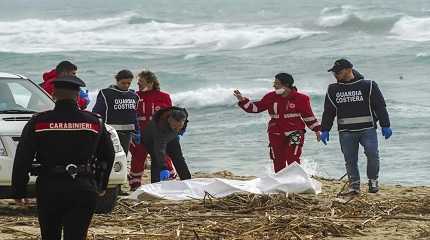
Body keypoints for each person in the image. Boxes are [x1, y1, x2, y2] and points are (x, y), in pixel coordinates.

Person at [11, 76, 115, 240]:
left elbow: (23, 157)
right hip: (83, 186)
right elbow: (108, 155)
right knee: (77, 235)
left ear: (53, 95)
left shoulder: (39, 122)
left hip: (49, 186)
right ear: (78, 97)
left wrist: (19, 190)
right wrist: (101, 184)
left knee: (50, 235)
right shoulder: (94, 122)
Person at [321, 59, 392, 195]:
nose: (336, 75)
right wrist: (325, 129)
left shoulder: (368, 85)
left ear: (349, 69)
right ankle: (354, 186)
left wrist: (385, 125)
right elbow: (329, 111)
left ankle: (373, 180)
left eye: (338, 72)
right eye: (334, 73)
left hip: (367, 129)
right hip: (345, 131)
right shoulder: (333, 89)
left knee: (372, 155)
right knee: (350, 159)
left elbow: (380, 106)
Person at [234, 73, 321, 173]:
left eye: (277, 84)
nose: (274, 86)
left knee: (292, 158)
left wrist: (317, 130)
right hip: (275, 133)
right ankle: (281, 182)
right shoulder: (270, 97)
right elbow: (256, 108)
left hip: (295, 132)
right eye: (274, 83)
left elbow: (308, 116)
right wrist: (243, 101)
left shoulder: (301, 98)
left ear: (287, 85)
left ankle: (296, 180)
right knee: (278, 160)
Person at [128, 70, 183, 190]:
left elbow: (171, 117)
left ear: (150, 82)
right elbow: (129, 115)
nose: (138, 85)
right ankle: (135, 186)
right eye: (138, 83)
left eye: (141, 82)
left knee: (164, 158)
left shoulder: (164, 96)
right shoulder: (134, 96)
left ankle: (168, 184)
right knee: (138, 159)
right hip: (139, 135)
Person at [92, 69, 139, 155]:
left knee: (123, 156)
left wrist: (137, 131)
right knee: (109, 156)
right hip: (110, 132)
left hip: (127, 134)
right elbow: (97, 112)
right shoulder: (106, 94)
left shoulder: (134, 95)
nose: (126, 85)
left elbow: (134, 115)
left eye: (129, 83)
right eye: (123, 83)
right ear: (117, 81)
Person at [142, 107, 190, 183]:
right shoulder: (160, 128)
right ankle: (156, 185)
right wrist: (163, 167)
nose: (177, 129)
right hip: (151, 140)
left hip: (171, 136)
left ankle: (187, 181)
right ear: (169, 120)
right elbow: (159, 150)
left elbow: (181, 123)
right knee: (156, 160)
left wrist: (181, 131)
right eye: (175, 127)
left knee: (179, 158)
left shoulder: (182, 115)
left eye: (179, 127)